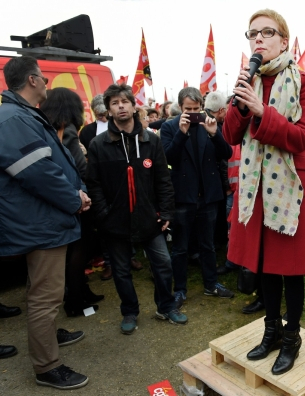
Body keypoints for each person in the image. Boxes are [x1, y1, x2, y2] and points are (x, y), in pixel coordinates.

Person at [223, 8, 305, 375]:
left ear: (284, 40)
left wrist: (263, 112)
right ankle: (272, 331)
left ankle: (292, 337)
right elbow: (230, 136)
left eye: (267, 32)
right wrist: (243, 104)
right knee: (265, 265)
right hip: (255, 191)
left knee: (290, 270)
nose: (258, 39)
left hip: (289, 191)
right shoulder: (248, 80)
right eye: (252, 34)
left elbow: (302, 138)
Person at [0, 56, 89, 389]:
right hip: (40, 222)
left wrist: (76, 191)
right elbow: (39, 174)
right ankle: (47, 366)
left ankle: (49, 337)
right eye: (44, 78)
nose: (48, 84)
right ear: (33, 81)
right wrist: (73, 199)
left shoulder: (20, 115)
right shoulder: (13, 118)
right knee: (46, 296)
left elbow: (53, 164)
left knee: (42, 290)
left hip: (43, 219)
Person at [86, 84, 187, 334]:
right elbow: (94, 184)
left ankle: (166, 306)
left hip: (149, 218)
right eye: (114, 103)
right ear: (108, 110)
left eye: (124, 101)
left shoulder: (151, 139)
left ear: (133, 105)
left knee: (163, 263)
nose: (120, 106)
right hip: (115, 221)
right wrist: (103, 214)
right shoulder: (99, 144)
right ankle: (129, 311)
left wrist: (165, 212)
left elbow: (163, 178)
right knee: (121, 271)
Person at [160, 87, 234, 309]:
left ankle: (211, 284)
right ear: (180, 108)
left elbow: (227, 154)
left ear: (202, 106)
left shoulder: (209, 123)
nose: (192, 114)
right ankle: (180, 290)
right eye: (188, 109)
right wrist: (181, 134)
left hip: (208, 196)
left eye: (196, 109)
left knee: (208, 245)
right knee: (181, 247)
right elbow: (167, 157)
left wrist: (214, 133)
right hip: (183, 196)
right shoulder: (169, 127)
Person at [39, 88, 105, 317]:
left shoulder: (49, 129)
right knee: (80, 250)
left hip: (65, 198)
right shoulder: (67, 130)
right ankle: (76, 301)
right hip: (78, 199)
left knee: (76, 251)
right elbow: (80, 168)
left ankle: (82, 292)